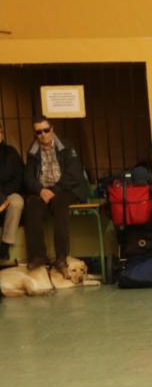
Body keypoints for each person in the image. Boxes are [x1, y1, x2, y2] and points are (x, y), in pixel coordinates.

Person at [22, 117, 88, 274]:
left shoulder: (66, 146)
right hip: (44, 190)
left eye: (46, 130)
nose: (43, 134)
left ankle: (61, 257)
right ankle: (38, 256)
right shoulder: (32, 151)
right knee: (31, 205)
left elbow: (74, 175)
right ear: (35, 134)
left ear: (52, 129)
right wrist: (40, 190)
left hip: (66, 189)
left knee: (59, 204)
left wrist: (55, 190)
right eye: (39, 132)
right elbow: (28, 178)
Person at [0, 121, 24, 266]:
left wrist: (4, 193)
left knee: (17, 202)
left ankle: (5, 244)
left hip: (8, 193)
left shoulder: (11, 152)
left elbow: (19, 177)